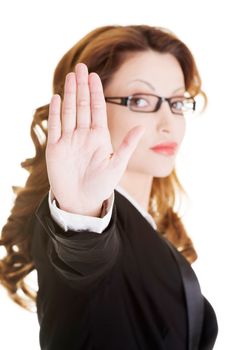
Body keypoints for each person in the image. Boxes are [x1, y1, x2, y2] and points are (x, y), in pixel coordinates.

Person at [0, 24, 218, 349]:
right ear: (88, 108)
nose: (167, 122)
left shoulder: (142, 223)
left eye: (176, 102)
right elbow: (85, 263)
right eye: (141, 101)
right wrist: (81, 216)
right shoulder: (85, 221)